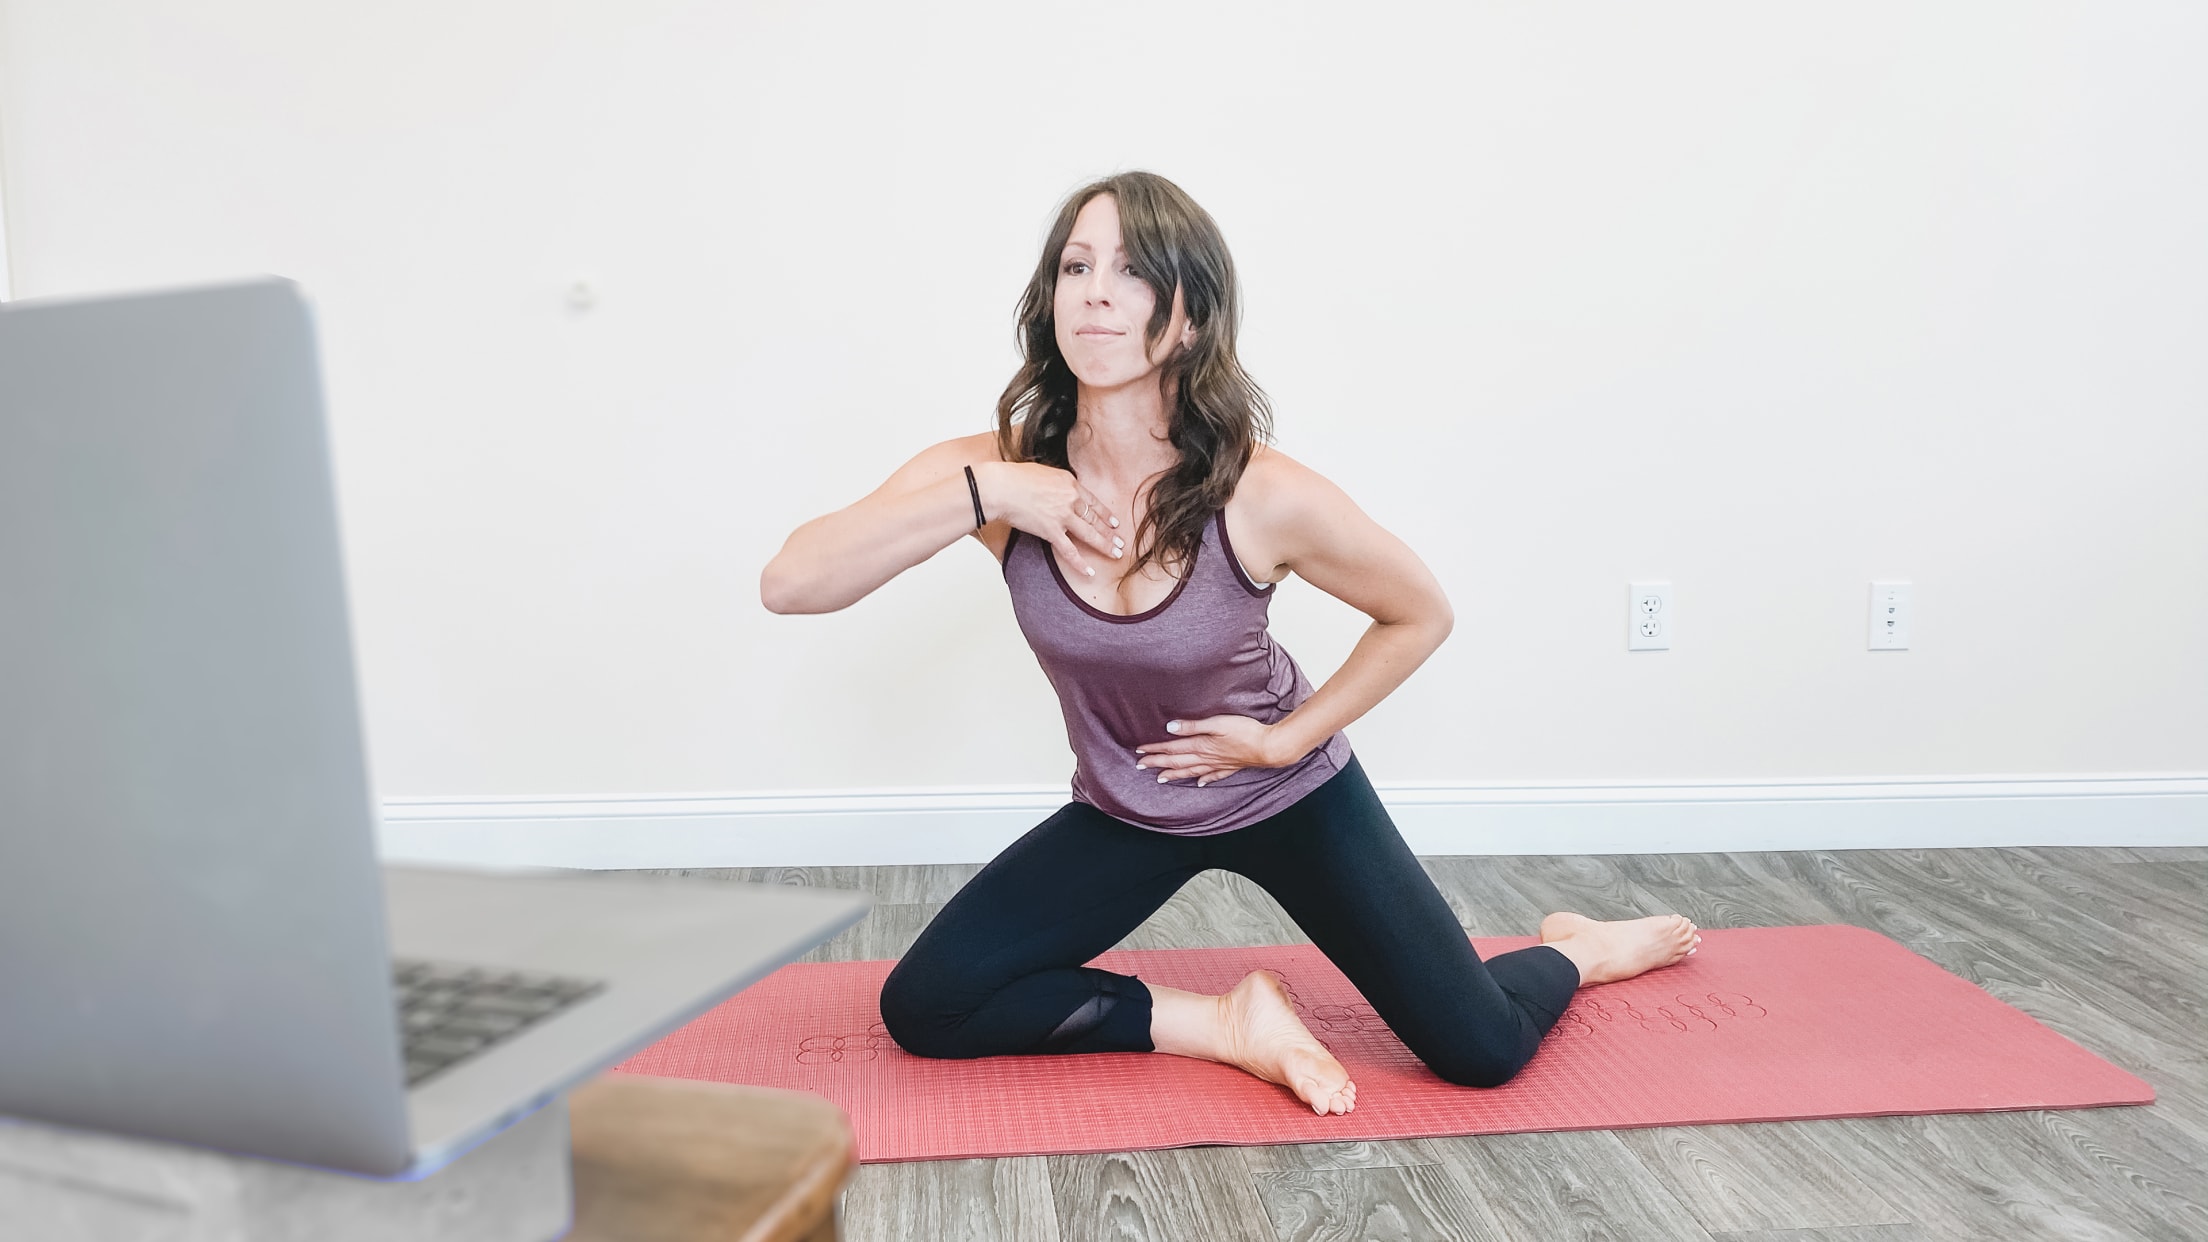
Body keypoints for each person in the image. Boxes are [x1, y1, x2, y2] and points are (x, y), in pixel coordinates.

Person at [759, 171, 1699, 1116]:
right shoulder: (996, 471)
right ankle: (1226, 1025)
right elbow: (792, 584)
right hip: (1132, 808)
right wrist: (988, 495)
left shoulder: (1258, 492)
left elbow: (1421, 612)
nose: (1092, 290)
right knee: (928, 1006)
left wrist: (1286, 739)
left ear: (1190, 317)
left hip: (1288, 795)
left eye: (1130, 272)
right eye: (1075, 266)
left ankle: (1579, 947)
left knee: (1481, 1049)